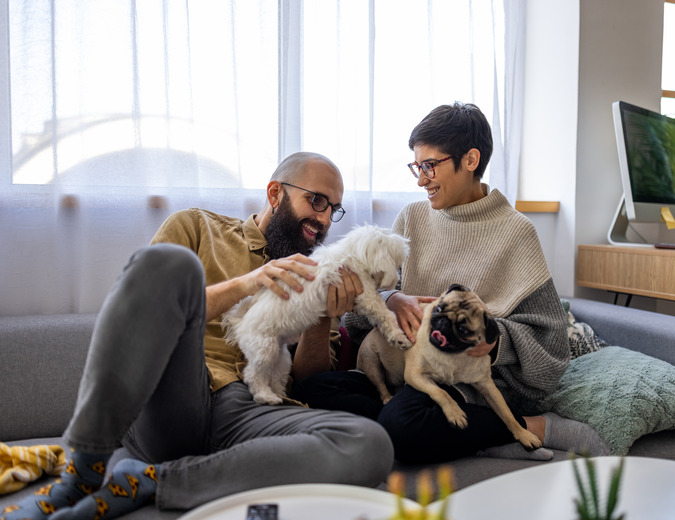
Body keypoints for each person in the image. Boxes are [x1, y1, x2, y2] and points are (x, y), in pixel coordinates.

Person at [3, 152, 394, 520]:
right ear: (275, 193)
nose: (324, 220)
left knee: (370, 445)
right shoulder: (198, 227)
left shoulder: (319, 271)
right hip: (174, 398)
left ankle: (149, 481)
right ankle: (83, 469)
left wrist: (321, 317)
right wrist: (247, 283)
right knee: (168, 262)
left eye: (334, 209)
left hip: (249, 413)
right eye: (316, 201)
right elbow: (149, 306)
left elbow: (309, 381)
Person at [292, 103, 609, 463]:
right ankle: (467, 436)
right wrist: (392, 297)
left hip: (464, 381)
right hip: (405, 369)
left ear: (471, 159)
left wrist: (491, 339)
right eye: (417, 166)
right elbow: (359, 314)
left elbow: (551, 344)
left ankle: (535, 426)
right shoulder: (411, 219)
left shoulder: (516, 232)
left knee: (404, 427)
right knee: (309, 390)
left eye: (430, 166)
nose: (420, 179)